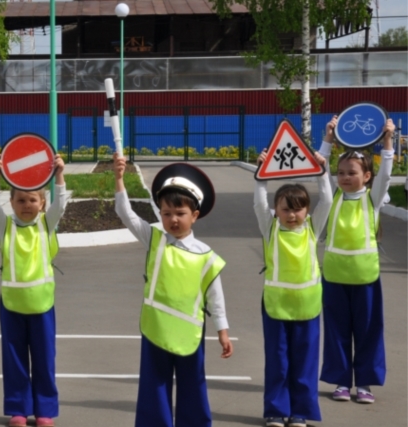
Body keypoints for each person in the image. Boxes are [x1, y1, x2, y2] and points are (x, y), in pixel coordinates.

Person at [113, 153, 233, 427]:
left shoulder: (207, 255)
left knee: (193, 387)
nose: (173, 220)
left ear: (195, 215)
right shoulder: (154, 240)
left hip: (190, 333)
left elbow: (215, 297)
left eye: (180, 214)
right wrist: (119, 179)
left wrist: (223, 331)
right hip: (155, 328)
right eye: (166, 213)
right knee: (154, 386)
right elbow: (125, 214)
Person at [254, 133, 332, 427]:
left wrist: (323, 172)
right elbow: (258, 204)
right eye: (285, 209)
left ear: (307, 210)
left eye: (297, 208)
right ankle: (276, 410)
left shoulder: (313, 228)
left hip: (308, 307)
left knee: (305, 364)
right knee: (278, 361)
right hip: (275, 307)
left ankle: (300, 412)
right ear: (276, 210)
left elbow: (327, 198)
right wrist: (260, 176)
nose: (291, 214)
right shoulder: (269, 229)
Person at [0, 153, 67, 427]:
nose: (26, 205)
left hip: (42, 305)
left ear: (43, 203)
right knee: (15, 361)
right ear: (11, 203)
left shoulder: (47, 225)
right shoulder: (5, 226)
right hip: (11, 306)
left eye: (33, 199)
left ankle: (44, 410)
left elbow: (62, 205)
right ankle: (18, 410)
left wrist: (59, 175)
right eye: (20, 200)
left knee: (45, 360)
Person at [318, 117, 395, 404]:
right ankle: (341, 382)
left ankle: (364, 383)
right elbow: (319, 169)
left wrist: (388, 140)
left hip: (366, 280)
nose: (345, 177)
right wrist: (328, 138)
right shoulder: (331, 198)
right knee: (337, 332)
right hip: (335, 279)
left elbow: (386, 174)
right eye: (341, 173)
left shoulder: (373, 199)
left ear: (366, 177)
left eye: (352, 172)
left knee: (368, 332)